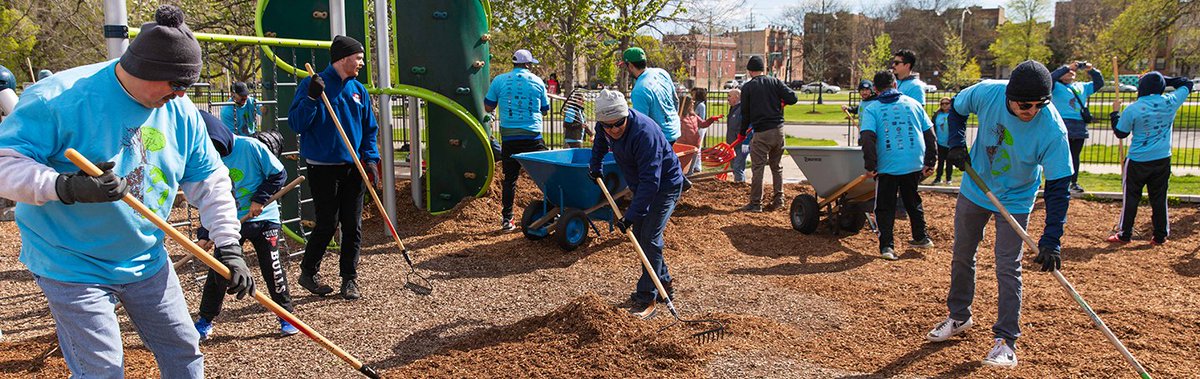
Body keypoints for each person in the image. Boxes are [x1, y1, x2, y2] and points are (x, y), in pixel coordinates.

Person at [0, 6, 253, 377]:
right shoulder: (58, 98)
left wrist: (229, 244)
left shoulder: (180, 111)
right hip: (70, 261)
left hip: (145, 257)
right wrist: (66, 186)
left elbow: (210, 181)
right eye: (175, 85)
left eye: (186, 87)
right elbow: (4, 162)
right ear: (144, 69)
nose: (181, 94)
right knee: (101, 370)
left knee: (184, 352)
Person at [926, 60, 1072, 368]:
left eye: (1038, 105)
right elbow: (956, 109)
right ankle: (959, 317)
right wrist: (955, 142)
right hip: (975, 188)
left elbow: (1058, 187)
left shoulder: (1053, 130)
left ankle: (1006, 340)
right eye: (1024, 104)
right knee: (962, 254)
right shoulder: (987, 93)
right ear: (1010, 96)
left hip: (1017, 198)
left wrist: (1052, 238)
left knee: (1008, 266)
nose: (1030, 110)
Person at [193, 110, 298, 340]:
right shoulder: (208, 158)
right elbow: (207, 198)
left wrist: (259, 199)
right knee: (220, 269)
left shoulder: (251, 147)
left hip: (264, 217)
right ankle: (205, 320)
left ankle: (286, 315)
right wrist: (204, 232)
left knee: (272, 266)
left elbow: (279, 175)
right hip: (229, 222)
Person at [289, 35, 379, 300]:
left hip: (354, 167)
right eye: (358, 58)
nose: (361, 63)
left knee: (352, 224)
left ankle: (349, 279)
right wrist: (312, 99)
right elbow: (296, 124)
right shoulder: (313, 84)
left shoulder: (358, 90)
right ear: (343, 58)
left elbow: (369, 128)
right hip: (323, 167)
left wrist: (371, 159)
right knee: (328, 223)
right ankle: (308, 271)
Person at [588, 89, 684, 319]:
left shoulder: (644, 133)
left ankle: (646, 297)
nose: (613, 130)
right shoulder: (605, 127)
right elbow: (600, 143)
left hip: (665, 186)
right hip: (642, 185)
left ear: (626, 116)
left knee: (648, 237)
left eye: (618, 124)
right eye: (607, 125)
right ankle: (665, 283)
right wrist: (595, 165)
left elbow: (652, 181)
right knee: (643, 237)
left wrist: (630, 216)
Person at [1106, 73, 1193, 245]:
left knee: (1131, 197)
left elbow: (1121, 133)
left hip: (1137, 160)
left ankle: (1125, 234)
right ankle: (1160, 236)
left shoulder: (1133, 108)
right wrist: (1161, 80)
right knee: (1159, 197)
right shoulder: (1170, 101)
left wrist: (1115, 113)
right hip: (1162, 158)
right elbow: (1187, 83)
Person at [860, 71, 937, 261]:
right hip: (913, 163)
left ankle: (887, 246)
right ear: (895, 85)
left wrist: (870, 165)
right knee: (912, 200)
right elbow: (930, 134)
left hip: (888, 165)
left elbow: (867, 138)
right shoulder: (914, 104)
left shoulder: (873, 108)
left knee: (884, 206)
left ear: (875, 89)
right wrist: (930, 161)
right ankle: (921, 237)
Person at [484, 49, 550, 231]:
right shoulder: (537, 81)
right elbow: (545, 109)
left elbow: (488, 106)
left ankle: (507, 219)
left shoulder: (499, 80)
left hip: (510, 137)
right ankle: (553, 212)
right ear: (528, 65)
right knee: (548, 176)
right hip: (533, 136)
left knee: (510, 178)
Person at [738, 55, 798, 212]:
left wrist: (742, 133)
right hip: (778, 130)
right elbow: (793, 98)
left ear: (750, 71)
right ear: (763, 69)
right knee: (776, 166)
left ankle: (756, 203)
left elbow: (745, 113)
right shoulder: (775, 82)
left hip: (762, 132)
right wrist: (782, 101)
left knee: (758, 167)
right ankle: (779, 200)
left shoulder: (748, 88)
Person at [1050, 61, 1104, 194]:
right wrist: (1066, 67)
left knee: (1075, 156)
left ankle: (1073, 182)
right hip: (1062, 124)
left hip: (1079, 126)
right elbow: (1050, 77)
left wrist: (1091, 70)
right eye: (1068, 71)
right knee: (1059, 155)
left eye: (1073, 70)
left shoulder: (1082, 87)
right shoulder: (1055, 86)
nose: (1071, 72)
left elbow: (1099, 83)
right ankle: (1056, 182)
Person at [620, 47, 681, 144]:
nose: (626, 70)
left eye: (626, 67)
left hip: (659, 138)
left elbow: (641, 124)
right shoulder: (662, 72)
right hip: (675, 130)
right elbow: (676, 100)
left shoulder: (640, 90)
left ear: (630, 66)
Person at [676, 95, 722, 174]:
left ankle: (689, 181)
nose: (693, 104)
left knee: (690, 170)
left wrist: (711, 119)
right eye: (691, 103)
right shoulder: (678, 117)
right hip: (684, 147)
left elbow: (703, 124)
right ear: (686, 104)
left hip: (695, 146)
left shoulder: (693, 115)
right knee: (682, 169)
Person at [724, 89, 752, 183]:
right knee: (734, 167)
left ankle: (740, 186)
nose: (727, 99)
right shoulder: (733, 109)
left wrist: (746, 142)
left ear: (736, 97)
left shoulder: (742, 109)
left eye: (729, 96)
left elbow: (748, 126)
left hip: (740, 144)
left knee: (738, 167)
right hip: (732, 144)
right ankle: (739, 183)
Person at [931, 97, 954, 184]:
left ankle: (949, 179)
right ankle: (938, 178)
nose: (944, 105)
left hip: (950, 142)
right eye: (942, 104)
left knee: (949, 162)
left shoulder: (953, 115)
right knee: (940, 162)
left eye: (947, 103)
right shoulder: (937, 115)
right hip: (939, 142)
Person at [688, 87, 712, 173]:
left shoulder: (701, 105)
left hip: (700, 129)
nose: (692, 95)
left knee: (698, 147)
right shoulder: (694, 104)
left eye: (693, 94)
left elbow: (702, 118)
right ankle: (694, 165)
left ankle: (697, 166)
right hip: (695, 127)